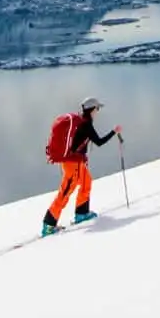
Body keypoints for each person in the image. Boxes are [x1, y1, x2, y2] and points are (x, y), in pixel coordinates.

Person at [43, 97, 120, 235]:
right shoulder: (86, 124)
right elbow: (99, 142)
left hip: (77, 162)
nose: (97, 111)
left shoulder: (82, 121)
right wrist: (114, 132)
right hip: (72, 163)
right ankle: (49, 224)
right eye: (97, 108)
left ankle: (82, 213)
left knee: (86, 181)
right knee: (66, 191)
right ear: (92, 109)